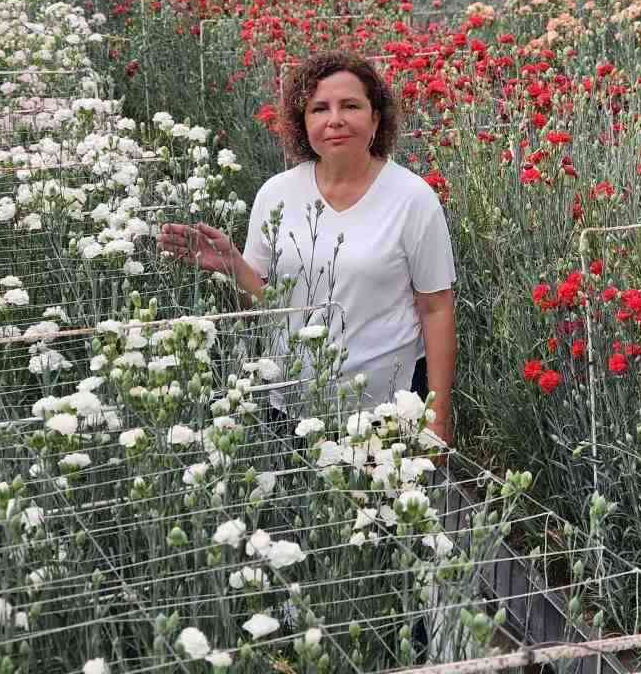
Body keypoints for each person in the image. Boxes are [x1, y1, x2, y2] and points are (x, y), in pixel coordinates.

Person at [157, 50, 457, 445]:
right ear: (303, 123)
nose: (335, 119)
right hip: (293, 404)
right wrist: (234, 266)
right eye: (319, 109)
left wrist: (437, 419)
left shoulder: (412, 199)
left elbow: (436, 309)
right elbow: (269, 305)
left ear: (375, 118)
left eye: (350, 105)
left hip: (387, 408)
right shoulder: (277, 194)